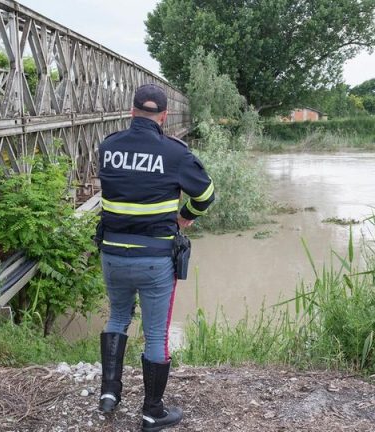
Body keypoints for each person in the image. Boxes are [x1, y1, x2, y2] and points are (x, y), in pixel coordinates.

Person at [96, 83, 215, 431]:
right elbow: (206, 195)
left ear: (132, 111)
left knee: (117, 317)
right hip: (154, 259)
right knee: (156, 335)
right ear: (163, 116)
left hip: (113, 255)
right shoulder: (175, 153)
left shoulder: (109, 147)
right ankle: (152, 412)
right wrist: (186, 216)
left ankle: (110, 393)